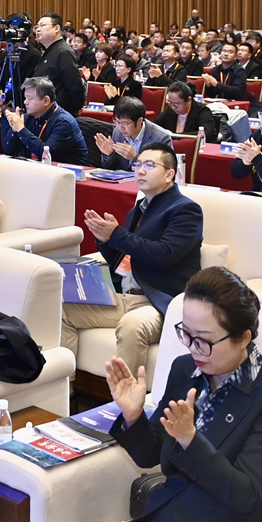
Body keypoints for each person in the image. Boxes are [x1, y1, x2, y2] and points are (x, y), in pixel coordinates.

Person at [47, 267, 262, 522]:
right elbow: (150, 455)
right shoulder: (185, 370)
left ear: (243, 338)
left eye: (204, 340)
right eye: (186, 334)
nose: (192, 348)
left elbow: (244, 495)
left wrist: (191, 440)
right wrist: (133, 415)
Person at [64, 145, 202, 384]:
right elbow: (123, 261)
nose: (140, 170)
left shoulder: (185, 210)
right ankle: (67, 389)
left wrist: (118, 235)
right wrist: (105, 239)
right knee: (63, 308)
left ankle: (126, 401)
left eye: (150, 165)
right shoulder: (138, 210)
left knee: (132, 325)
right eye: (137, 165)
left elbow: (164, 255)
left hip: (158, 301)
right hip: (126, 295)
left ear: (169, 174)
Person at [1, 77, 88, 164]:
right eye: (25, 98)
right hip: (38, 169)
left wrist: (21, 129)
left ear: (46, 100)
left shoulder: (64, 122)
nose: (25, 102)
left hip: (67, 171)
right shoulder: (29, 117)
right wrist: (14, 128)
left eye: (29, 98)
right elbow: (8, 151)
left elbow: (45, 154)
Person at [96, 98, 174, 171]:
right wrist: (110, 154)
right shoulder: (118, 132)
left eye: (124, 123)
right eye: (117, 121)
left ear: (140, 121)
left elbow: (164, 170)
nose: (120, 127)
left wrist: (135, 158)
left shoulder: (160, 137)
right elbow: (111, 168)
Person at [32, 13, 87, 116]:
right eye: (37, 26)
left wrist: (71, 111)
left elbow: (75, 86)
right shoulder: (50, 50)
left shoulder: (64, 52)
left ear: (56, 28)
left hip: (59, 114)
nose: (38, 30)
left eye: (42, 25)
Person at [156, 82, 220, 144]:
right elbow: (155, 125)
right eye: (170, 103)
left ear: (189, 100)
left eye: (176, 104)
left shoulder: (202, 111)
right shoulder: (170, 109)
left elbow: (205, 133)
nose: (173, 107)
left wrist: (174, 135)